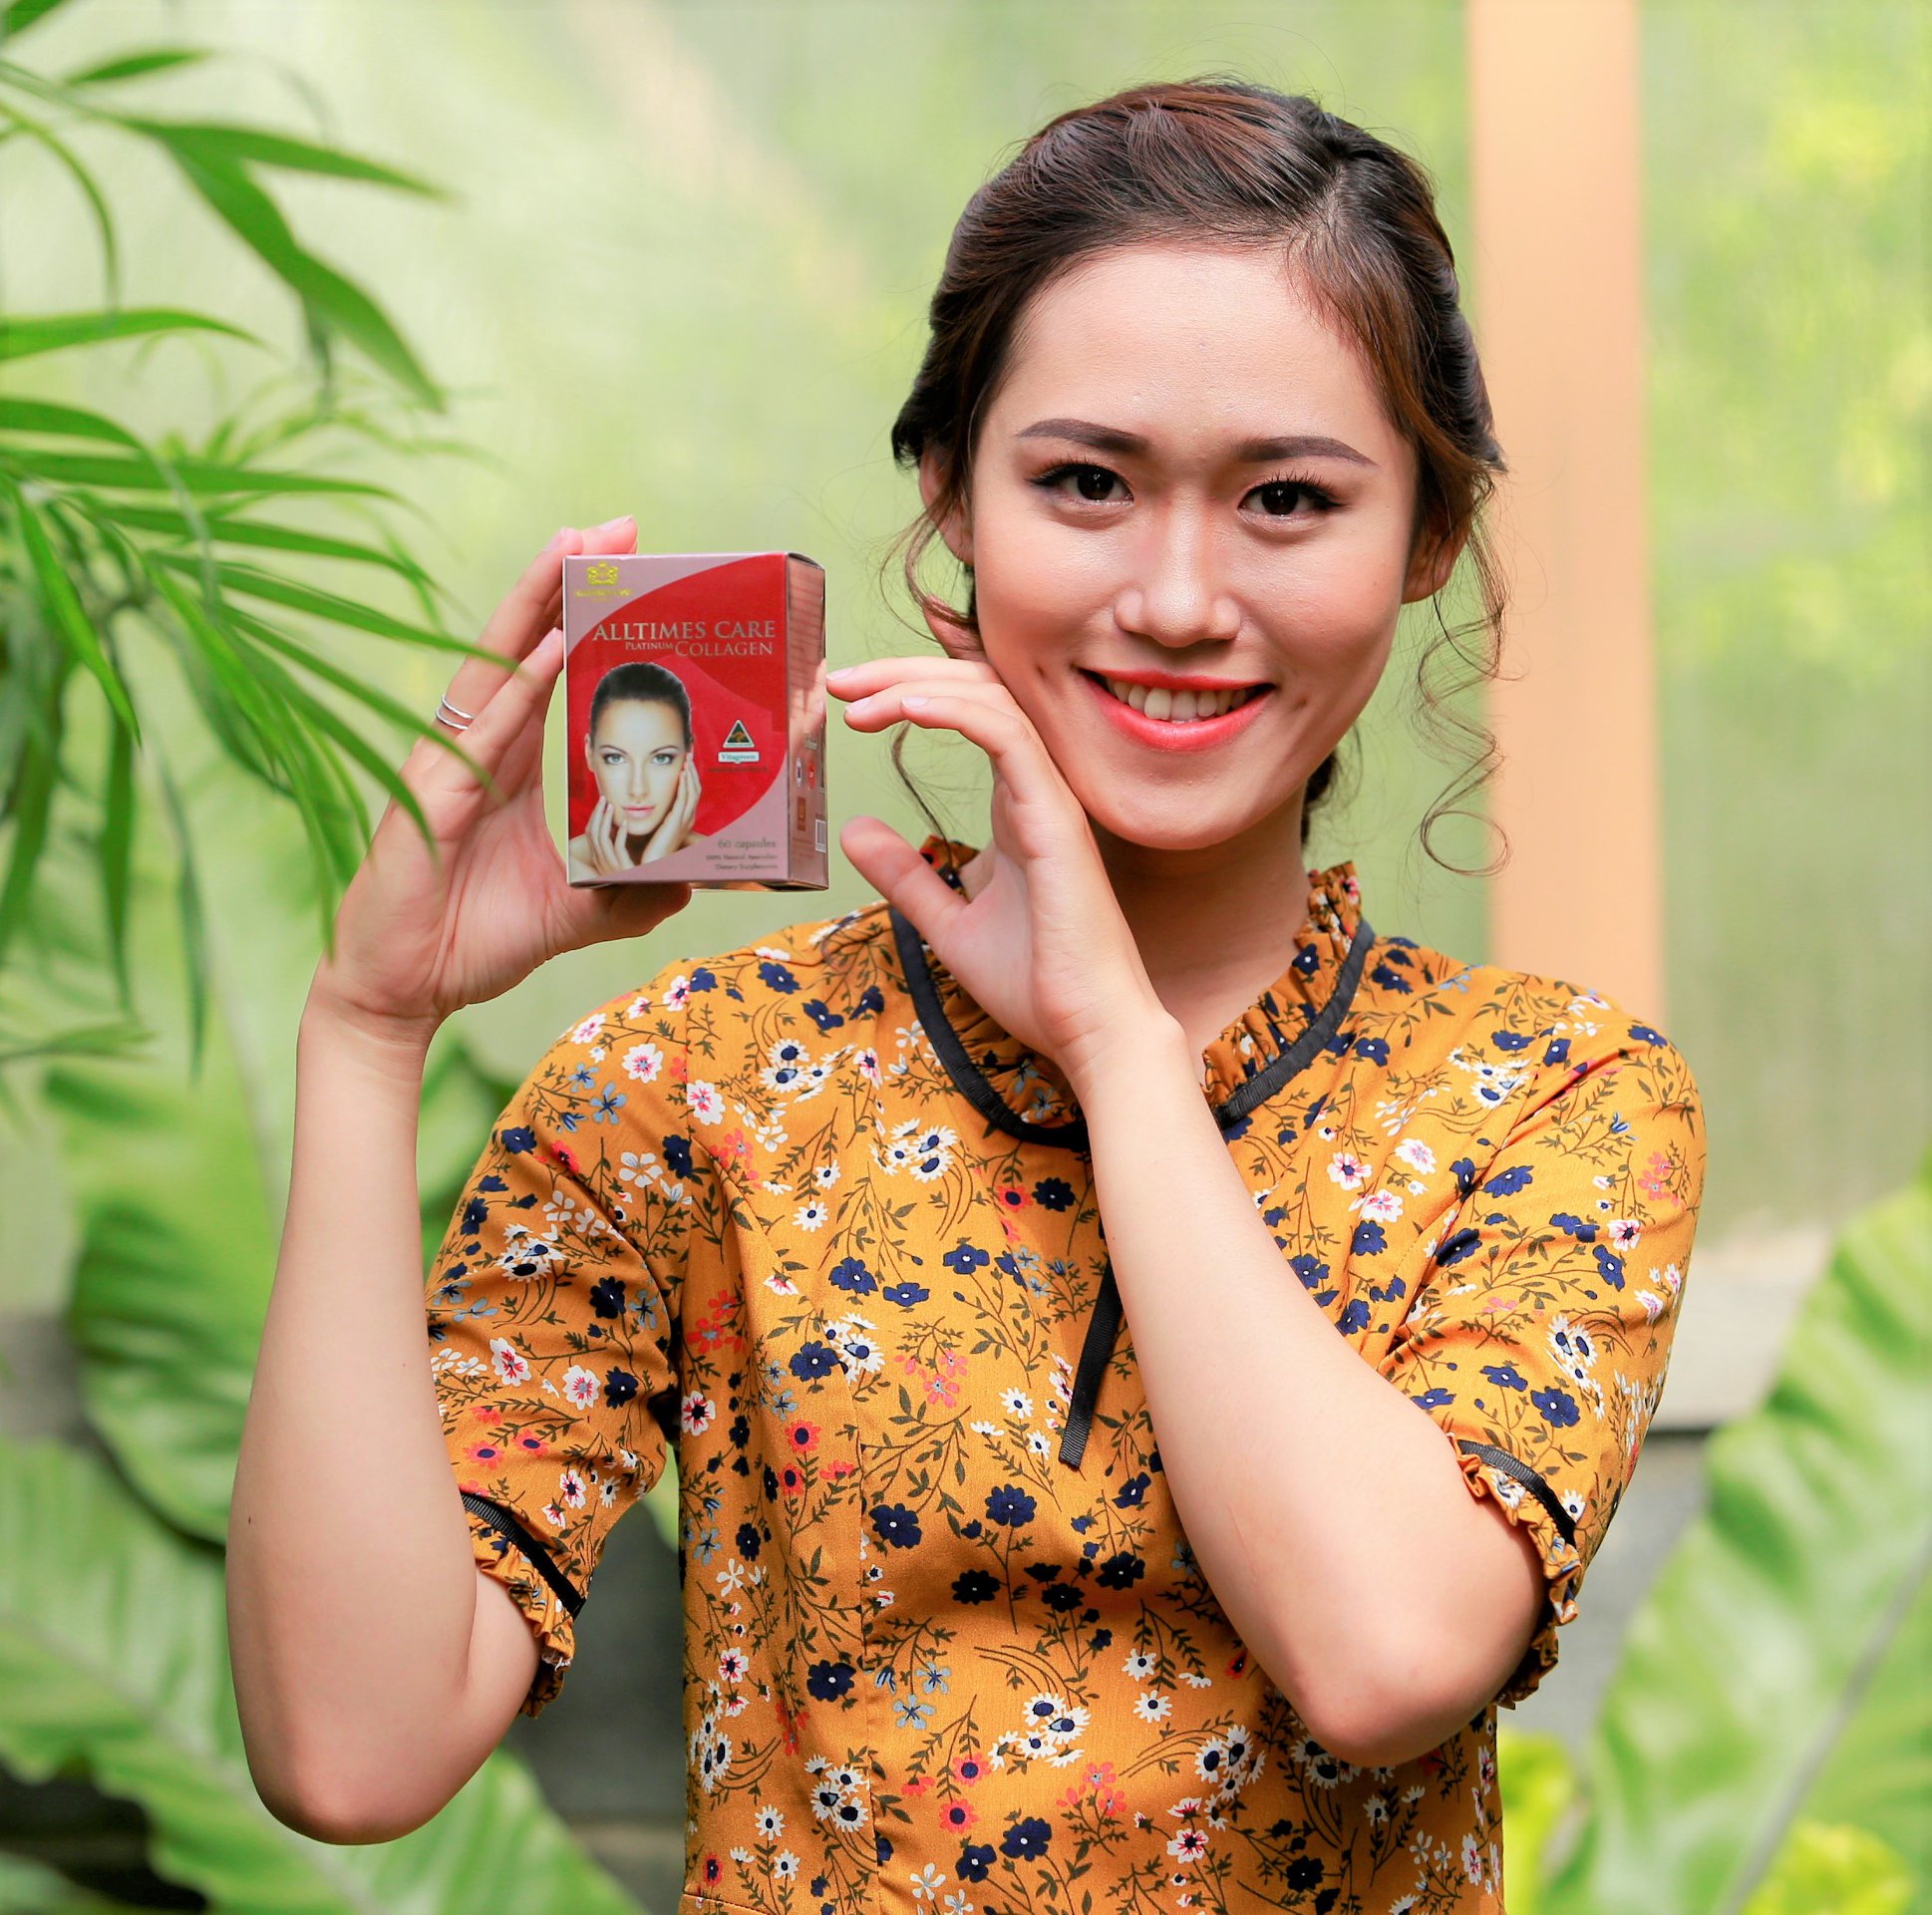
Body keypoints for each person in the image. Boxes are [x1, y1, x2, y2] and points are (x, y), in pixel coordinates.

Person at [227, 78, 1705, 1912]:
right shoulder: (695, 1083)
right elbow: (349, 1753)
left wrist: (1113, 1047)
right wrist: (366, 1034)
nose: (1177, 597)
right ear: (951, 499)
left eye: (1286, 499)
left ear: (1422, 537)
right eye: (1084, 483)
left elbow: (1387, 1653)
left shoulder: (1554, 1095)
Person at [566, 660, 705, 880]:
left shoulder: (722, 862)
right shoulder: (565, 865)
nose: (637, 789)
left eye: (661, 758)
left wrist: (653, 865)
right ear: (589, 754)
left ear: (689, 755)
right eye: (615, 758)